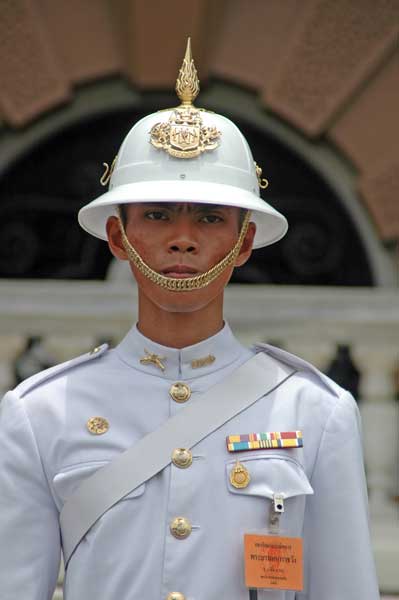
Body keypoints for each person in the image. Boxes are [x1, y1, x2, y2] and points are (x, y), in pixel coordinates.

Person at [0, 40, 379, 600]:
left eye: (209, 218)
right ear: (117, 237)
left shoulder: (317, 412)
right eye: (156, 215)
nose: (182, 238)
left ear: (244, 241)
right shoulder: (40, 414)